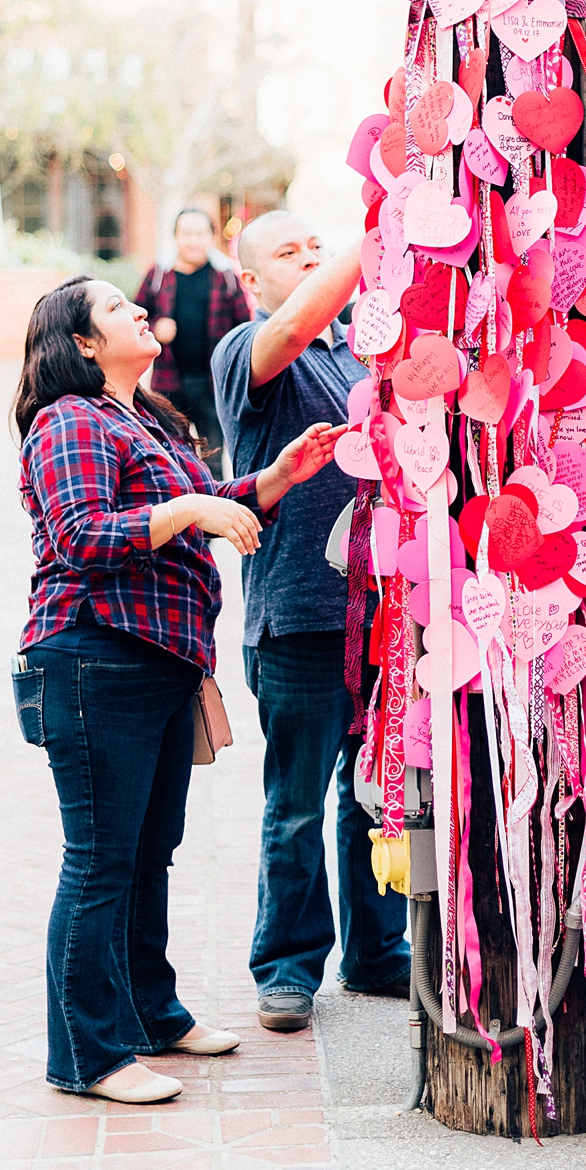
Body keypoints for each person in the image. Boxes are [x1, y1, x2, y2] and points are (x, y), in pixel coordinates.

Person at [13, 275, 342, 1103]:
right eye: (116, 308)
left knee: (147, 855)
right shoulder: (68, 420)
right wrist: (192, 505)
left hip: (159, 662)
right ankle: (87, 1055)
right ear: (81, 342)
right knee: (98, 863)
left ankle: (152, 1013)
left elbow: (212, 505)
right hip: (93, 658)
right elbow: (83, 536)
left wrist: (276, 475)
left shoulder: (147, 418)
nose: (137, 311)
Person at [212, 212, 412, 1034]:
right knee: (293, 802)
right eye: (286, 254)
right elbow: (296, 321)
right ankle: (288, 965)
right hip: (298, 616)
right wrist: (382, 225)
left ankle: (375, 951)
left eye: (315, 249)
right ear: (252, 282)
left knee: (371, 794)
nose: (309, 261)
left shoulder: (360, 354)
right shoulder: (249, 349)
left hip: (379, 616)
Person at [135, 208, 250, 477]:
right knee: (169, 460)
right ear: (176, 237)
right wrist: (155, 327)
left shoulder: (227, 276)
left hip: (212, 385)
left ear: (211, 237)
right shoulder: (158, 274)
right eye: (186, 233)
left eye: (199, 233)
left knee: (213, 462)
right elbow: (134, 318)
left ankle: (215, 516)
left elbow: (246, 327)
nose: (193, 240)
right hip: (167, 385)